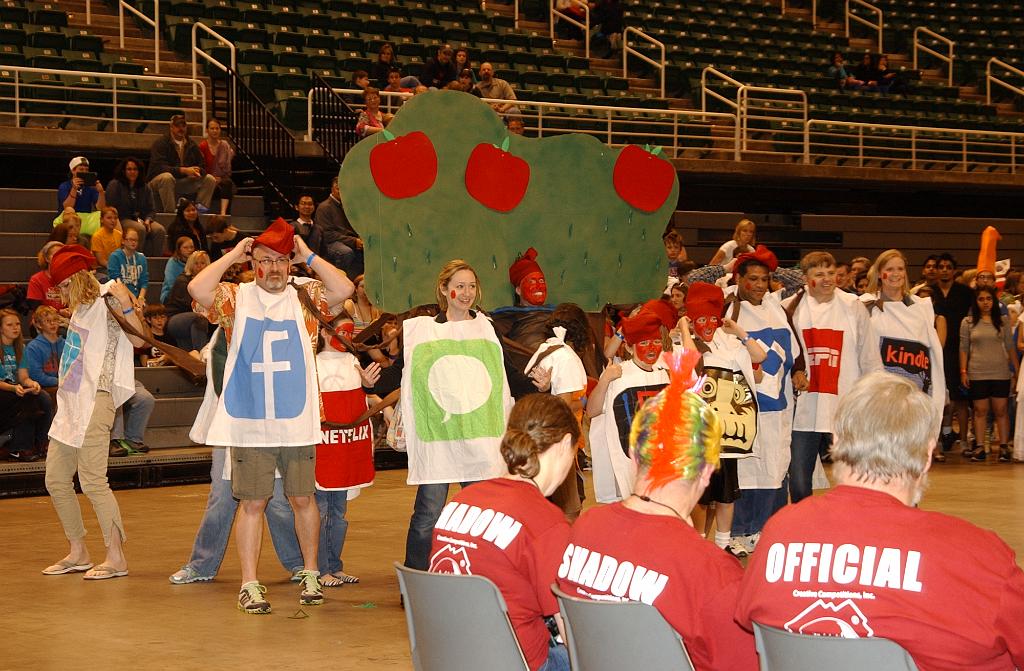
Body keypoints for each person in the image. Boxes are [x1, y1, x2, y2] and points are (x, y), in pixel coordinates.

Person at [734, 371, 1024, 671]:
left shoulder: (780, 532)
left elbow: (748, 626)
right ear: (926, 456)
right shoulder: (979, 556)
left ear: (836, 440)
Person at [188, 218, 354, 614]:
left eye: (281, 261)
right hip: (250, 420)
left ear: (291, 263)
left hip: (295, 417)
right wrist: (233, 254)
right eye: (264, 261)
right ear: (253, 264)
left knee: (302, 497)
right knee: (253, 503)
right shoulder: (236, 296)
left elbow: (344, 289)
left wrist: (308, 253)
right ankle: (249, 582)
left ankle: (312, 573)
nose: (273, 269)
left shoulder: (306, 294)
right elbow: (197, 288)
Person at [558, 350, 758, 670]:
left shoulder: (583, 530)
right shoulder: (714, 573)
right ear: (707, 471)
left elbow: (570, 638)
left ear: (635, 456)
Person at [368, 259, 539, 571]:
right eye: (459, 286)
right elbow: (400, 372)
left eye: (471, 286)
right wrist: (372, 384)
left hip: (479, 438)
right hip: (440, 442)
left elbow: (508, 374)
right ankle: (416, 579)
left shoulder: (486, 328)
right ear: (444, 290)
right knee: (427, 516)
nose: (466, 292)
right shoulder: (424, 332)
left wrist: (537, 388)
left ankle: (480, 574)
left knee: (478, 516)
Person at [430, 393, 579, 671]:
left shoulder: (461, 501)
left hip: (448, 655)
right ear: (564, 445)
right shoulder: (546, 522)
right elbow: (570, 630)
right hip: (514, 661)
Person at [170, 328, 306, 585]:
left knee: (277, 502)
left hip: (270, 425)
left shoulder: (278, 323)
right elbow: (222, 381)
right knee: (221, 498)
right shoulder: (225, 331)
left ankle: (298, 562)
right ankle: (202, 564)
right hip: (230, 426)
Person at [42, 245, 145, 579]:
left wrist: (129, 306)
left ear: (74, 278)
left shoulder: (110, 296)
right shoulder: (80, 308)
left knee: (92, 480)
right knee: (56, 478)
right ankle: (79, 551)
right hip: (71, 402)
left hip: (98, 397)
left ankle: (116, 557)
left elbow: (142, 342)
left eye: (61, 286)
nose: (58, 293)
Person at [783, 251, 882, 503]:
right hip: (803, 409)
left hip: (845, 405)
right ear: (806, 278)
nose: (827, 279)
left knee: (854, 474)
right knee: (798, 479)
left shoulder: (852, 307)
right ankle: (805, 525)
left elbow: (869, 356)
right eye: (819, 274)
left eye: (830, 273)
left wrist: (873, 398)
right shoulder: (789, 309)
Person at [679, 282, 766, 551]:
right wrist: (684, 329)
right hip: (699, 434)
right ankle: (698, 546)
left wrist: (738, 330)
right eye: (700, 319)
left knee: (727, 494)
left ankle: (722, 544)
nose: (706, 324)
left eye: (711, 319)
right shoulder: (680, 343)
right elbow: (690, 365)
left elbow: (760, 356)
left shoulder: (729, 342)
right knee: (700, 496)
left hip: (729, 430)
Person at [314, 313, 380, 587]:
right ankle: (319, 568)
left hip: (347, 447)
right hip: (324, 450)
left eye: (351, 333)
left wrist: (367, 386)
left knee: (338, 514)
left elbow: (361, 400)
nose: (346, 338)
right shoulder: (313, 364)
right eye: (341, 331)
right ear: (324, 333)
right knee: (320, 512)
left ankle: (335, 564)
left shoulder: (353, 362)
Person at [860, 249, 945, 454]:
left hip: (914, 392)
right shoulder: (865, 305)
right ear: (880, 273)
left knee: (909, 452)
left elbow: (931, 350)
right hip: (880, 393)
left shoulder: (920, 307)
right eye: (890, 269)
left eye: (900, 268)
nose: (896, 274)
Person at [589, 311, 669, 503]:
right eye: (643, 343)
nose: (651, 348)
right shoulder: (618, 374)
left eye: (656, 342)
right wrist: (605, 380)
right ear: (630, 348)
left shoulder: (664, 373)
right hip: (628, 463)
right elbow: (592, 411)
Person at [524, 303, 591, 521]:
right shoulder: (567, 358)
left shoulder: (544, 349)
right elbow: (561, 406)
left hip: (535, 437)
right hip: (559, 441)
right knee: (569, 509)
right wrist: (582, 401)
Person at [960, 286, 1017, 463]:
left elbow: (1010, 346)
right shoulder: (967, 322)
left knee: (1001, 410)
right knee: (980, 411)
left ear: (994, 301)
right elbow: (963, 348)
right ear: (976, 302)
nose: (985, 302)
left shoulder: (1003, 321)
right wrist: (963, 371)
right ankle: (979, 447)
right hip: (977, 372)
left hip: (1000, 372)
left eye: (989, 299)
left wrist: (1016, 371)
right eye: (981, 299)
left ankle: (1003, 447)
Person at [931, 253, 975, 453]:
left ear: (954, 270)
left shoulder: (965, 292)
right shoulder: (928, 292)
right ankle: (937, 440)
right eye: (942, 267)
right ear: (937, 270)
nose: (945, 270)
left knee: (960, 399)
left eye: (949, 267)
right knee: (938, 397)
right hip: (935, 349)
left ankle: (964, 440)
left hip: (959, 350)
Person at [1, 308, 52, 462]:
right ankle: (20, 447)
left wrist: (32, 383)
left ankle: (42, 442)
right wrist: (14, 388)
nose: (15, 327)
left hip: (14, 389)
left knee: (43, 397)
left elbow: (23, 377)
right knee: (27, 401)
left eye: (17, 324)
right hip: (4, 390)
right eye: (10, 325)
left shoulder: (20, 348)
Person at [147, 113, 217, 212]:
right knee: (167, 177)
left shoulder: (192, 145)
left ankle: (199, 213)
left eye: (183, 126)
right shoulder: (160, 143)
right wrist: (183, 170)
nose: (181, 128)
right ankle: (170, 216)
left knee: (210, 179)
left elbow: (202, 165)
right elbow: (158, 168)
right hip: (158, 182)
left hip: (181, 181)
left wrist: (197, 171)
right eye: (177, 126)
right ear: (171, 127)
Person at [105, 156, 167, 257]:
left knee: (160, 230)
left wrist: (148, 219)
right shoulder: (115, 185)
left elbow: (151, 209)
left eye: (135, 169)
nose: (132, 172)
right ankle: (136, 260)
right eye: (129, 169)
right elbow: (111, 208)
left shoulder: (145, 187)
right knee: (140, 229)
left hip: (142, 219)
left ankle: (156, 261)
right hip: (121, 219)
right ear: (123, 171)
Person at [314, 176, 363, 277]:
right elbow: (327, 235)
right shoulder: (324, 207)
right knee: (346, 252)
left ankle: (354, 280)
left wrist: (360, 238)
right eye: (338, 188)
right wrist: (353, 241)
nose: (341, 191)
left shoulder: (347, 207)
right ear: (332, 189)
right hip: (329, 244)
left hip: (346, 240)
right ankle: (336, 280)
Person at [165, 250, 211, 353]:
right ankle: (201, 354)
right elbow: (191, 305)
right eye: (196, 263)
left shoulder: (211, 282)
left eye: (203, 263)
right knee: (200, 318)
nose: (199, 266)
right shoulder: (183, 280)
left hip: (193, 321)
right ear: (191, 265)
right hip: (175, 320)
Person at [57, 156, 106, 234]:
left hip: (85, 220)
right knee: (69, 210)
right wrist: (74, 189)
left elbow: (100, 208)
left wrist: (101, 192)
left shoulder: (91, 187)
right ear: (73, 171)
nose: (84, 172)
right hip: (67, 219)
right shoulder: (64, 186)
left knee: (109, 214)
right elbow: (67, 207)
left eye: (86, 170)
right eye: (81, 169)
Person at [198, 117, 236, 216]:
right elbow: (200, 167)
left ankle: (224, 214)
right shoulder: (202, 146)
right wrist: (212, 178)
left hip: (222, 180)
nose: (215, 131)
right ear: (207, 130)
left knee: (227, 183)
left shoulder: (224, 146)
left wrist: (220, 179)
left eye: (217, 128)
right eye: (212, 128)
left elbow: (227, 168)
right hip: (206, 180)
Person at [106, 226, 148, 307]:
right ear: (123, 241)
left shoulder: (142, 258)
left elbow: (144, 281)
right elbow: (117, 281)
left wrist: (141, 297)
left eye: (136, 240)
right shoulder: (115, 257)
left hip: (137, 296)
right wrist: (132, 298)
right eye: (131, 239)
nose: (133, 242)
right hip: (118, 296)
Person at [27, 241, 67, 315]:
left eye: (63, 255)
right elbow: (37, 308)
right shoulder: (36, 279)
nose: (60, 258)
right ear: (47, 258)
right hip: (44, 322)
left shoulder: (70, 279)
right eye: (56, 255)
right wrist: (59, 312)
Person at [162, 236, 195, 304]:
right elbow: (171, 284)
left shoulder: (195, 262)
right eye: (185, 247)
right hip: (171, 295)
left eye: (191, 247)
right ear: (179, 249)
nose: (189, 250)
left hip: (190, 295)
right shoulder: (172, 262)